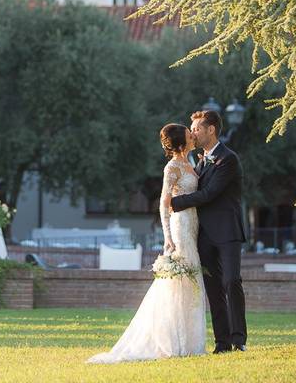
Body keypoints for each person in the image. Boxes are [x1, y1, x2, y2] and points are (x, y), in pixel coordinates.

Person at [86, 123, 206, 363]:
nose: (193, 135)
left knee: (192, 281)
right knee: (179, 282)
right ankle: (174, 341)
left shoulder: (191, 163)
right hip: (180, 225)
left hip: (193, 225)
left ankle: (192, 341)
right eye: (188, 134)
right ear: (181, 144)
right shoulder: (172, 167)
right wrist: (168, 237)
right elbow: (164, 202)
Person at [170, 109, 248, 353]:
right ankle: (222, 343)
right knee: (213, 288)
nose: (192, 133)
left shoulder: (228, 159)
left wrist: (175, 203)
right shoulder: (200, 161)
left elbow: (210, 194)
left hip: (227, 231)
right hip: (203, 235)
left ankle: (239, 339)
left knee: (231, 281)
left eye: (196, 129)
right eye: (192, 130)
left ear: (210, 130)